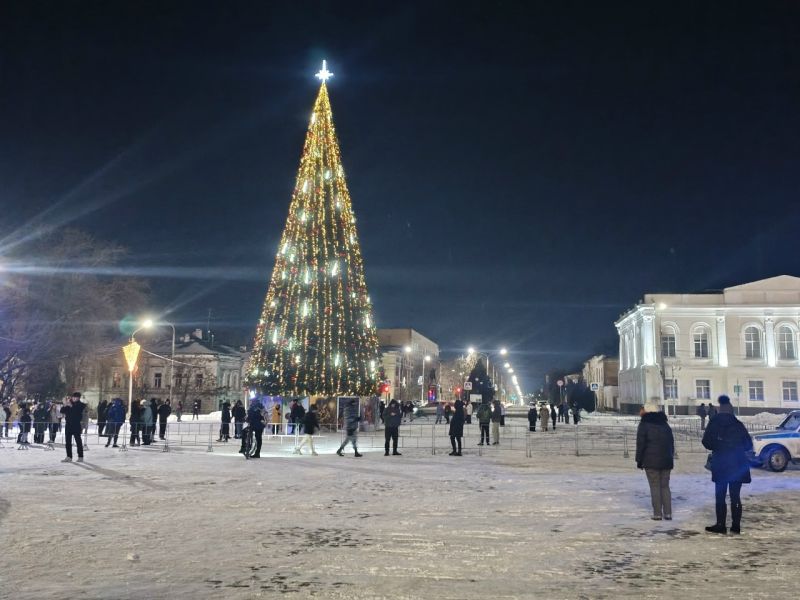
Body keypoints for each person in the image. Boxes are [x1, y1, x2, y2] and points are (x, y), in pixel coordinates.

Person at [702, 395, 753, 535]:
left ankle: (721, 525)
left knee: (720, 495)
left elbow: (706, 442)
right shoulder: (738, 424)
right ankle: (736, 526)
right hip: (738, 463)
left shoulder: (714, 423)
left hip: (721, 463)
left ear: (719, 410)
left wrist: (718, 446)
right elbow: (748, 445)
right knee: (735, 495)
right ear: (731, 411)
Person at [635, 400, 674, 521]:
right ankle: (668, 513)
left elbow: (641, 444)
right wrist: (670, 457)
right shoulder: (665, 425)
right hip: (666, 460)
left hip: (650, 461)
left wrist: (639, 460)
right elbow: (671, 443)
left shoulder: (644, 425)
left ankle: (657, 514)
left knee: (655, 486)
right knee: (665, 487)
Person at [60, 392, 86, 462]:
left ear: (78, 398)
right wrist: (65, 404)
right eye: (73, 397)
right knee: (68, 441)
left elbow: (77, 412)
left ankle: (80, 456)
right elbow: (62, 411)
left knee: (78, 441)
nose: (74, 398)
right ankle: (69, 456)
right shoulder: (69, 404)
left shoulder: (81, 405)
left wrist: (71, 406)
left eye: (76, 397)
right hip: (68, 425)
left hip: (76, 425)